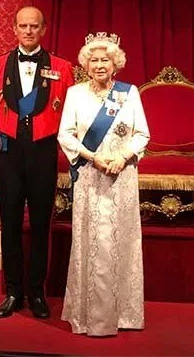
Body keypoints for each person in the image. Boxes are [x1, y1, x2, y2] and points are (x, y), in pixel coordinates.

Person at [0, 7, 73, 319]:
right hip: (8, 150)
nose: (29, 31)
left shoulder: (62, 67)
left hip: (43, 150)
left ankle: (37, 292)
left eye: (34, 26)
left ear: (44, 28)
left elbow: (68, 112)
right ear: (14, 28)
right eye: (23, 25)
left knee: (39, 224)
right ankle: (13, 291)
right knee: (9, 222)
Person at [57, 32, 150, 336]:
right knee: (93, 242)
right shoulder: (75, 93)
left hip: (121, 177)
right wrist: (92, 157)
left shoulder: (128, 93)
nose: (99, 65)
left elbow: (142, 135)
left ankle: (124, 313)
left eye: (105, 60)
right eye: (94, 59)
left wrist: (123, 157)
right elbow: (65, 135)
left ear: (115, 64)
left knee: (120, 242)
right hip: (90, 175)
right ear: (86, 64)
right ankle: (89, 316)